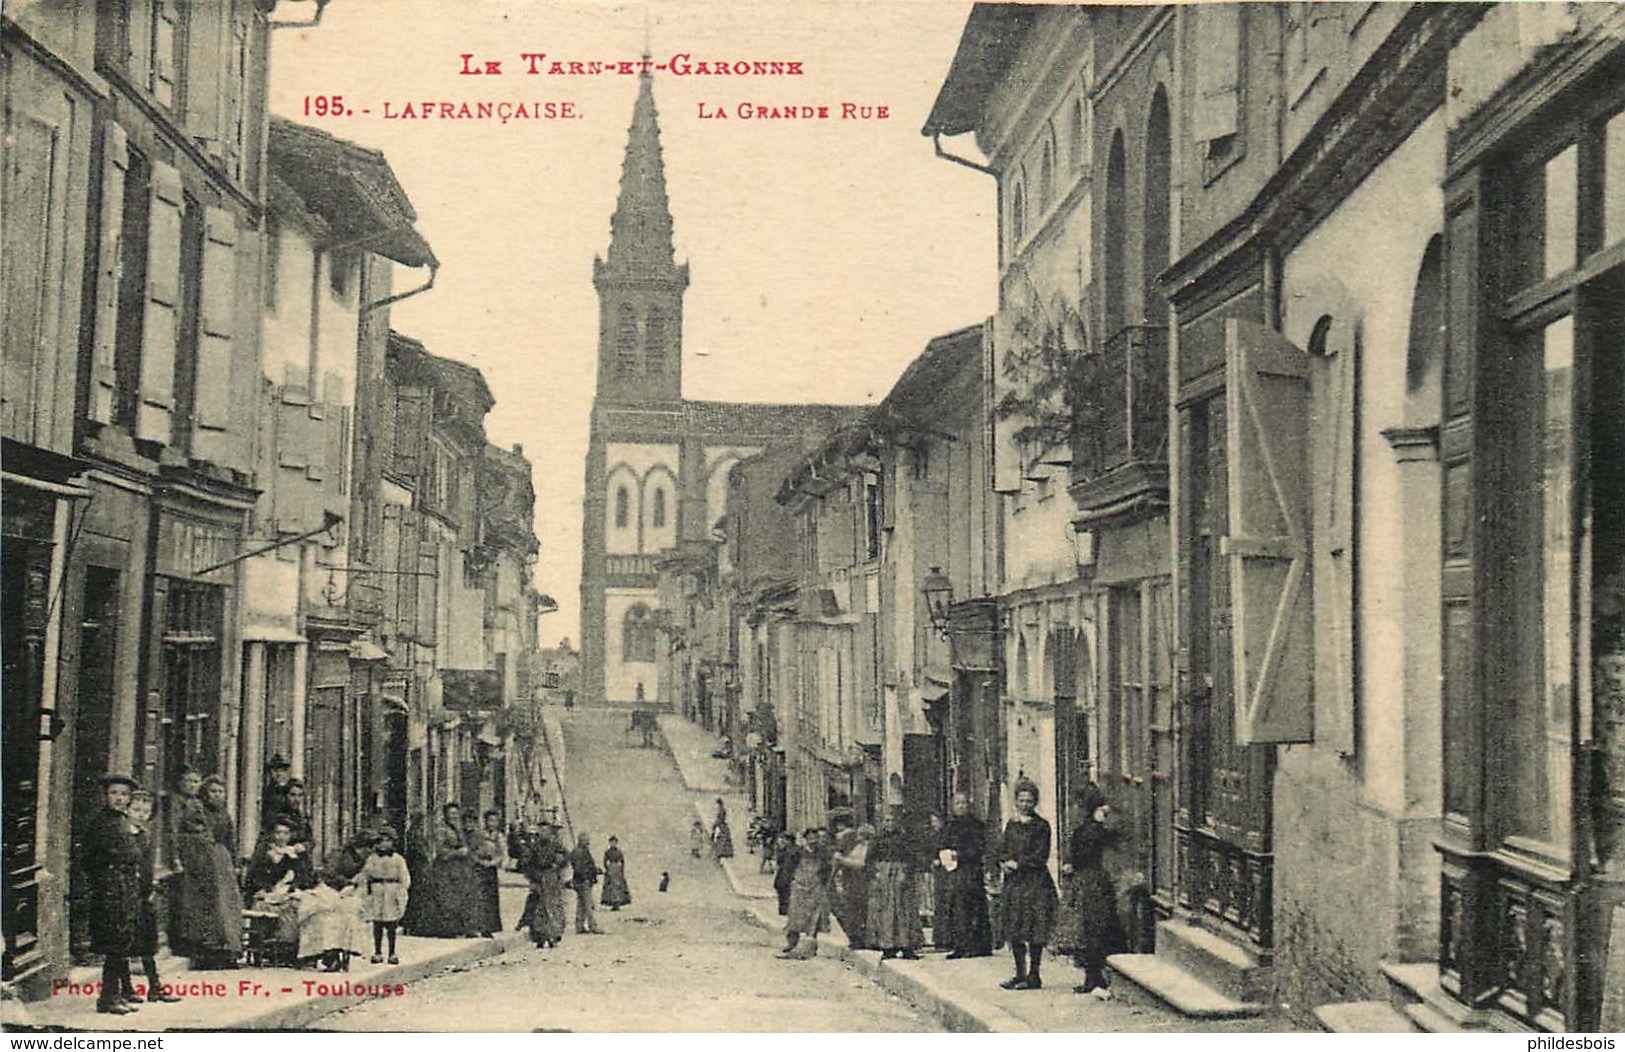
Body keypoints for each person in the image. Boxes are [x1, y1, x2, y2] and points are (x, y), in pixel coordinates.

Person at [82, 774, 143, 1014]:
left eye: (124, 794)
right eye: (114, 793)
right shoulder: (100, 822)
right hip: (110, 889)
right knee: (114, 944)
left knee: (122, 941)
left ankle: (120, 993)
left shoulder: (121, 820)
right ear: (105, 796)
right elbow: (88, 858)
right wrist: (105, 880)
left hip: (124, 887)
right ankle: (108, 999)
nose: (119, 798)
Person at [170, 770, 243, 968]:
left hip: (222, 862)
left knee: (227, 905)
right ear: (206, 793)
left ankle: (227, 950)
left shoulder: (225, 815)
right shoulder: (199, 810)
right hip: (203, 861)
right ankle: (208, 952)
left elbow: (230, 840)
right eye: (213, 791)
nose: (217, 795)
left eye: (220, 791)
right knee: (209, 907)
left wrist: (235, 864)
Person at [1062, 786, 1128, 999]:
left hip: (1086, 882)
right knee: (1095, 930)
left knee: (1090, 931)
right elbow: (1118, 839)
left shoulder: (1083, 830)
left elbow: (1074, 857)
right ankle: (1095, 977)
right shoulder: (1094, 831)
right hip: (1095, 882)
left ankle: (1093, 977)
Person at [997, 777, 1059, 990]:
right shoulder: (1012, 825)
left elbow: (1041, 855)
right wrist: (1004, 862)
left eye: (1029, 801)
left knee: (1034, 929)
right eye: (1021, 800)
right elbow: (1003, 848)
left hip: (1035, 884)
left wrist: (1019, 863)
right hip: (1014, 884)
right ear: (1016, 802)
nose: (1025, 804)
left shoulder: (1042, 826)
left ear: (1035, 803)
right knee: (1014, 928)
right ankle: (1019, 973)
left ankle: (1034, 975)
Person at [122, 789, 182, 1004]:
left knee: (147, 942)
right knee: (124, 945)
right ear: (127, 810)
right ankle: (127, 988)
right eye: (136, 809)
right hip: (126, 895)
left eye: (145, 811)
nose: (140, 814)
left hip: (144, 895)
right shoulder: (124, 834)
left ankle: (154, 987)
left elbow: (146, 866)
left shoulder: (144, 835)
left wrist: (151, 886)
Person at [939, 792, 994, 959]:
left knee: (973, 908)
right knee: (956, 908)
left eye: (964, 803)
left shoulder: (976, 825)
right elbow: (942, 844)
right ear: (953, 806)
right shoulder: (950, 826)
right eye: (958, 803)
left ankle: (977, 945)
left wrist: (960, 854)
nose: (961, 806)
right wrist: (945, 854)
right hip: (954, 870)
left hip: (971, 870)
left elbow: (978, 848)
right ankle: (959, 945)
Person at [866, 814, 923, 960]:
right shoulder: (877, 839)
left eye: (893, 820)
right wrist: (876, 874)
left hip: (901, 876)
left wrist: (906, 872)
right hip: (884, 877)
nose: (890, 823)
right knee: (887, 910)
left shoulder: (904, 839)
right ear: (882, 823)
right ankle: (888, 947)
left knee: (904, 910)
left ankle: (906, 946)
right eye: (887, 820)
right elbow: (869, 860)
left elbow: (912, 857)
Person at [421, 803, 479, 937]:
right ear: (446, 814)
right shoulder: (441, 829)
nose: (454, 816)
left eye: (456, 813)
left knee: (458, 897)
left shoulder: (457, 829)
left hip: (457, 868)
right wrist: (459, 852)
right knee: (446, 898)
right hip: (444, 868)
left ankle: (459, 928)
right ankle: (445, 930)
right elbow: (441, 851)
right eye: (451, 813)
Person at [355, 826, 411, 964]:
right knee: (377, 923)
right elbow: (365, 875)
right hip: (377, 891)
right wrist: (363, 890)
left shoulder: (398, 859)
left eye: (388, 841)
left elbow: (404, 877)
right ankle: (377, 952)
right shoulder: (372, 858)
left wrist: (402, 891)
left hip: (392, 890)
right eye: (381, 841)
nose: (384, 844)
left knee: (391, 923)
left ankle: (392, 952)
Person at [779, 828, 830, 959]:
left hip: (815, 887)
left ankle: (810, 948)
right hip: (798, 887)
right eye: (810, 838)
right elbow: (788, 869)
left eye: (815, 838)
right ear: (805, 839)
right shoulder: (797, 853)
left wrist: (823, 884)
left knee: (814, 918)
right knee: (794, 916)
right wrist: (789, 884)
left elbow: (827, 871)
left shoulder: (822, 854)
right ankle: (792, 944)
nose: (813, 841)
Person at [521, 823, 568, 948]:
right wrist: (532, 878)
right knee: (539, 909)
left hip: (552, 879)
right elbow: (526, 863)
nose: (543, 833)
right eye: (541, 831)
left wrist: (558, 863)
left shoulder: (556, 845)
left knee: (553, 908)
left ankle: (553, 935)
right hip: (539, 879)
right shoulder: (534, 847)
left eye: (546, 831)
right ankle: (540, 937)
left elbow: (565, 858)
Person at [828, 826, 871, 951]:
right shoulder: (847, 849)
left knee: (860, 912)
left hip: (862, 883)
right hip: (850, 884)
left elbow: (862, 864)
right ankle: (855, 938)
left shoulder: (865, 848)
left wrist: (842, 860)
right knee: (849, 911)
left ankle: (861, 938)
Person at [469, 810, 504, 937]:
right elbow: (472, 851)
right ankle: (478, 925)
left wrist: (494, 862)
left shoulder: (499, 836)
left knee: (491, 898)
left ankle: (490, 927)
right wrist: (479, 860)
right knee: (479, 897)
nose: (492, 823)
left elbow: (502, 854)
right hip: (479, 868)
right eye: (490, 820)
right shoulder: (479, 835)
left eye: (495, 821)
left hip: (491, 869)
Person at [567, 832, 603, 933]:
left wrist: (595, 870)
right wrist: (591, 873)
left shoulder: (578, 851)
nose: (588, 843)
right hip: (583, 881)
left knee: (581, 904)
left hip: (580, 881)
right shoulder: (580, 852)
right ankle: (593, 926)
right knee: (588, 905)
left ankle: (579, 926)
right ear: (581, 841)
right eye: (586, 841)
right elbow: (580, 869)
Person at [601, 835, 632, 910]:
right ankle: (612, 902)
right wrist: (607, 869)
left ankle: (618, 903)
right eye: (611, 842)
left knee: (619, 887)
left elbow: (622, 861)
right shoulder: (607, 852)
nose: (613, 844)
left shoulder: (619, 852)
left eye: (614, 842)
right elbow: (604, 861)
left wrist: (621, 870)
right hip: (611, 868)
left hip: (617, 869)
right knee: (610, 887)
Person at [772, 832, 798, 916]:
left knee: (787, 894)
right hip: (782, 875)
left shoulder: (795, 850)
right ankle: (784, 910)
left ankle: (787, 910)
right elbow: (779, 861)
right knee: (782, 892)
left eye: (786, 840)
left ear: (790, 841)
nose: (784, 841)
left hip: (790, 874)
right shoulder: (784, 849)